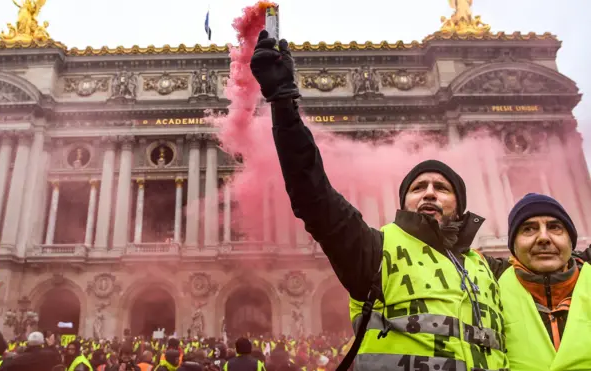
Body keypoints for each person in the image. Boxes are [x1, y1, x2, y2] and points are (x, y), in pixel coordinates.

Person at [251, 30, 508, 370]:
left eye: (441, 188)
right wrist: (283, 103)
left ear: (459, 205)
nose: (429, 192)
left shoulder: (489, 270)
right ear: (404, 203)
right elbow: (312, 193)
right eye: (418, 187)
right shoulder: (375, 252)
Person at [498, 193, 591, 370]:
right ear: (513, 246)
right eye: (528, 229)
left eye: (554, 227)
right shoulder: (489, 295)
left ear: (571, 241)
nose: (543, 238)